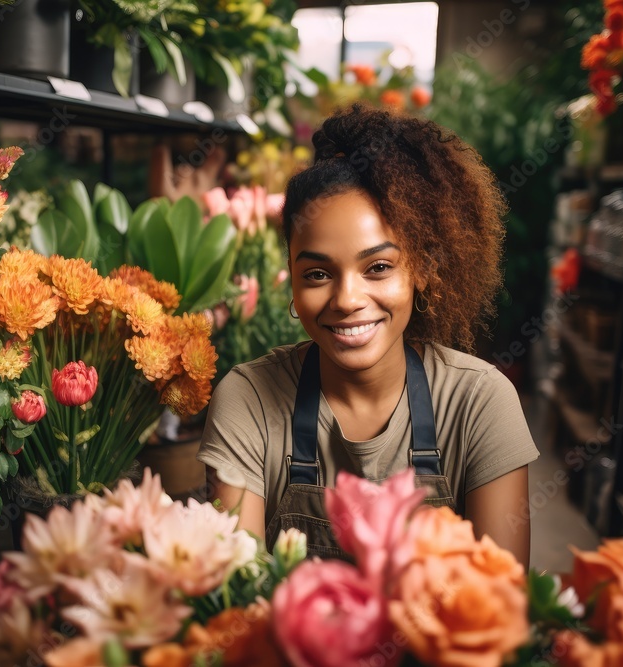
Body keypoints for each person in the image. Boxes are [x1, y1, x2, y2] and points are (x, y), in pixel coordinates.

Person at [197, 104, 539, 567]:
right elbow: (236, 603)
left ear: (422, 270)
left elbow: (502, 607)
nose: (346, 298)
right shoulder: (248, 401)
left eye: (378, 267)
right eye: (318, 273)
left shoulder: (479, 403)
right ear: (293, 284)